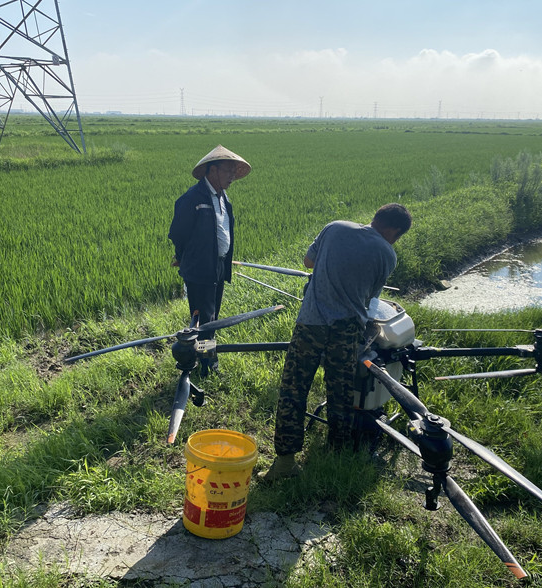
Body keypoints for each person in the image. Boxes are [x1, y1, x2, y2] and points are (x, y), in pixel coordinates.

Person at [261, 203, 413, 482]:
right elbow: (370, 298)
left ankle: (284, 463)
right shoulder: (387, 254)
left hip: (311, 323)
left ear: (376, 217)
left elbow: (308, 262)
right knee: (340, 393)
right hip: (347, 329)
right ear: (394, 231)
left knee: (293, 389)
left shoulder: (335, 227)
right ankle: (337, 453)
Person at [168, 145, 251, 376]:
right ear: (212, 170)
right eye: (228, 170)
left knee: (212, 316)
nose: (232, 176)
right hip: (199, 268)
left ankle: (203, 356)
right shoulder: (192, 198)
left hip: (218, 265)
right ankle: (206, 364)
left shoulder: (223, 197)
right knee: (205, 320)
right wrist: (183, 257)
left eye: (234, 171)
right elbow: (178, 233)